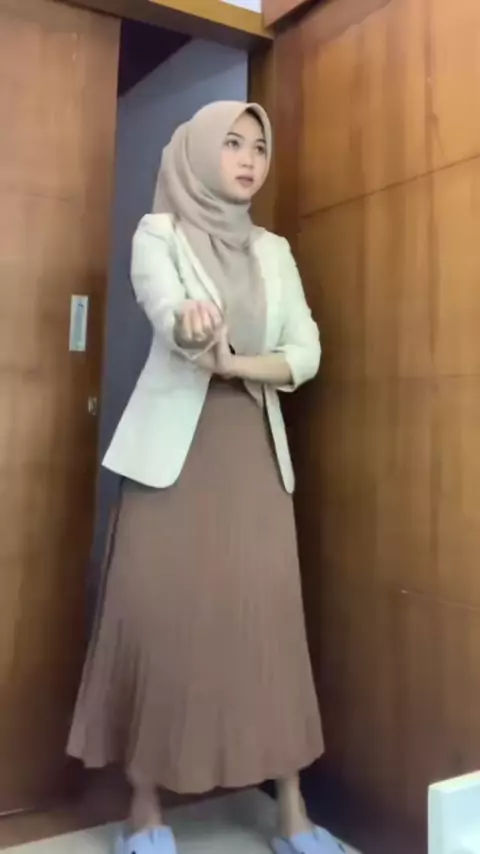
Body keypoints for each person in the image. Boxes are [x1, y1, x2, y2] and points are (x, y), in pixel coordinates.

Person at [67, 101, 342, 854]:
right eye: (232, 143)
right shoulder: (158, 233)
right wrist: (190, 327)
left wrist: (238, 363)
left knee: (266, 623)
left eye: (259, 146)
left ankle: (291, 810)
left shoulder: (274, 250)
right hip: (171, 460)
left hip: (251, 448)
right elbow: (167, 308)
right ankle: (145, 806)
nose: (250, 158)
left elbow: (307, 350)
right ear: (196, 152)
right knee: (158, 619)